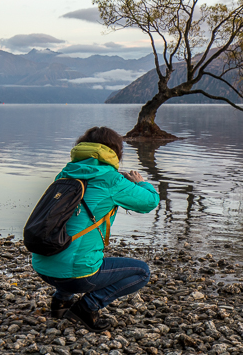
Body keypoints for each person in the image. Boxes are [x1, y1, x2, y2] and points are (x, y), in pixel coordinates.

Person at [31, 126, 160, 332]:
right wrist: (141, 183)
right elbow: (150, 202)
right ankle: (87, 308)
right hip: (76, 276)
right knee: (142, 272)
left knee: (71, 249)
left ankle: (60, 303)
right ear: (114, 152)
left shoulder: (66, 173)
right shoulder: (112, 180)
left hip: (42, 266)